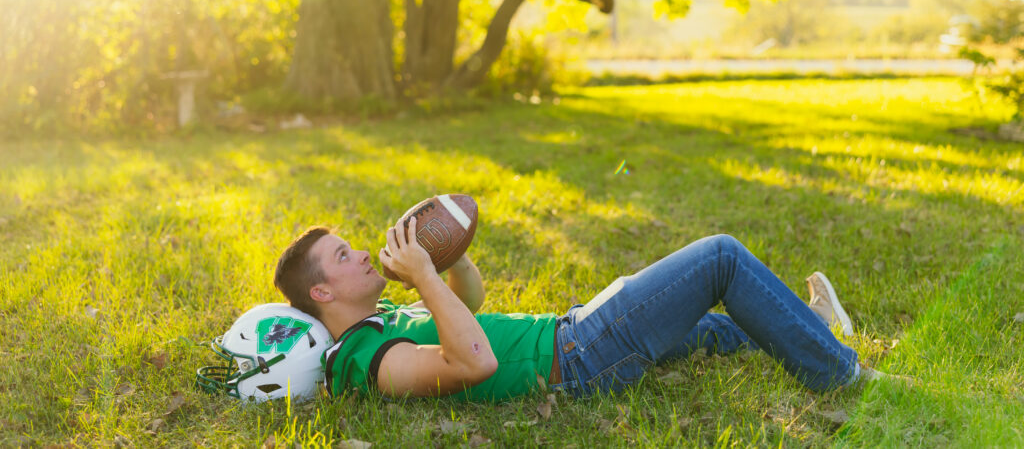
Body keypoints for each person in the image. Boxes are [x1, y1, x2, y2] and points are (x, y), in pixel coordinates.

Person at [273, 216, 889, 402]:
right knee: (718, 259)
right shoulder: (367, 360)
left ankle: (812, 328)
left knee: (699, 329)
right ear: (321, 293)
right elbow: (474, 363)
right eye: (342, 256)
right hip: (578, 356)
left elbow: (469, 308)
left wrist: (450, 259)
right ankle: (842, 375)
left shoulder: (382, 325)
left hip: (573, 332)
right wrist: (425, 276)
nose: (359, 254)